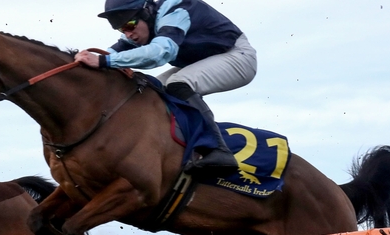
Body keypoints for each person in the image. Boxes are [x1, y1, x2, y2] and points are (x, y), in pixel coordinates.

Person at [75, 0, 257, 177]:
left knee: (178, 84)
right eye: (122, 29)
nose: (128, 34)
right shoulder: (143, 24)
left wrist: (103, 61)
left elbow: (160, 53)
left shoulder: (176, 10)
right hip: (204, 60)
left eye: (130, 25)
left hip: (237, 55)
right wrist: (81, 65)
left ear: (146, 12)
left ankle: (218, 150)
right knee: (147, 89)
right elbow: (111, 53)